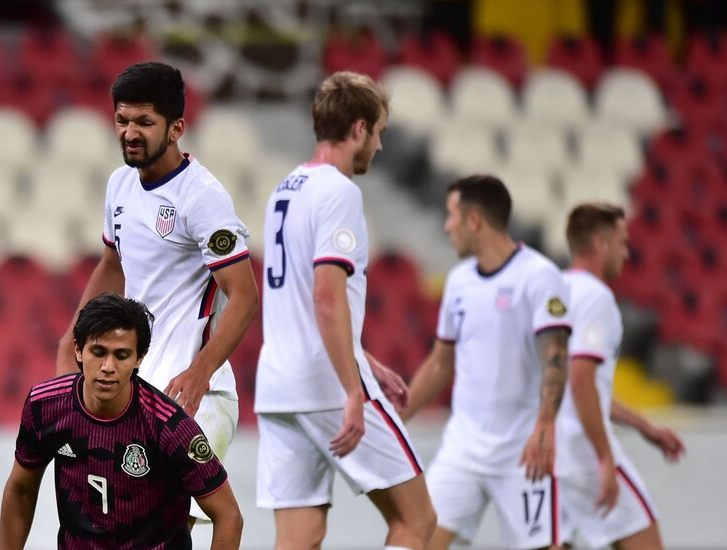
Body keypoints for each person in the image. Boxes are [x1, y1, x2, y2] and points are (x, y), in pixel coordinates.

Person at [54, 62, 259, 525]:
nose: (130, 132)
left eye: (144, 123)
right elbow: (113, 264)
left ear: (176, 128)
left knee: (161, 527)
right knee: (125, 527)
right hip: (139, 389)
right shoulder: (119, 184)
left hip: (194, 397)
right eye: (122, 121)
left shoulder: (201, 197)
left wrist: (200, 371)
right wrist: (73, 339)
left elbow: (244, 296)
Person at [255, 71, 436, 550]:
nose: (378, 147)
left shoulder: (284, 190)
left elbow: (296, 299)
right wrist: (355, 389)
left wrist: (365, 357)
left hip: (278, 386)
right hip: (327, 387)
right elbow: (326, 296)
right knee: (417, 519)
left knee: (300, 536)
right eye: (377, 134)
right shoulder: (340, 192)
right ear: (358, 128)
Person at [402, 175, 573, 550]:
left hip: (523, 451)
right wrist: (395, 423)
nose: (447, 226)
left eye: (451, 215)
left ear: (474, 220)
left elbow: (556, 356)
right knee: (418, 536)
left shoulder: (540, 276)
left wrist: (545, 423)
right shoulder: (459, 281)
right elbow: (439, 364)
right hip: (463, 449)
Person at [1, 292, 243, 549]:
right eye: (98, 351)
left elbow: (229, 516)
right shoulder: (45, 406)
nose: (108, 366)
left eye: (122, 355)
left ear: (139, 357)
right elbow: (21, 491)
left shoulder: (171, 427)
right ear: (78, 350)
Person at [556, 203, 685, 549]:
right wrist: (604, 456)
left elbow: (580, 387)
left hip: (551, 455)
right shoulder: (597, 299)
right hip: (583, 451)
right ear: (600, 245)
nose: (626, 254)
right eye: (622, 242)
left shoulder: (555, 292)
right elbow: (581, 380)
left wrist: (647, 428)